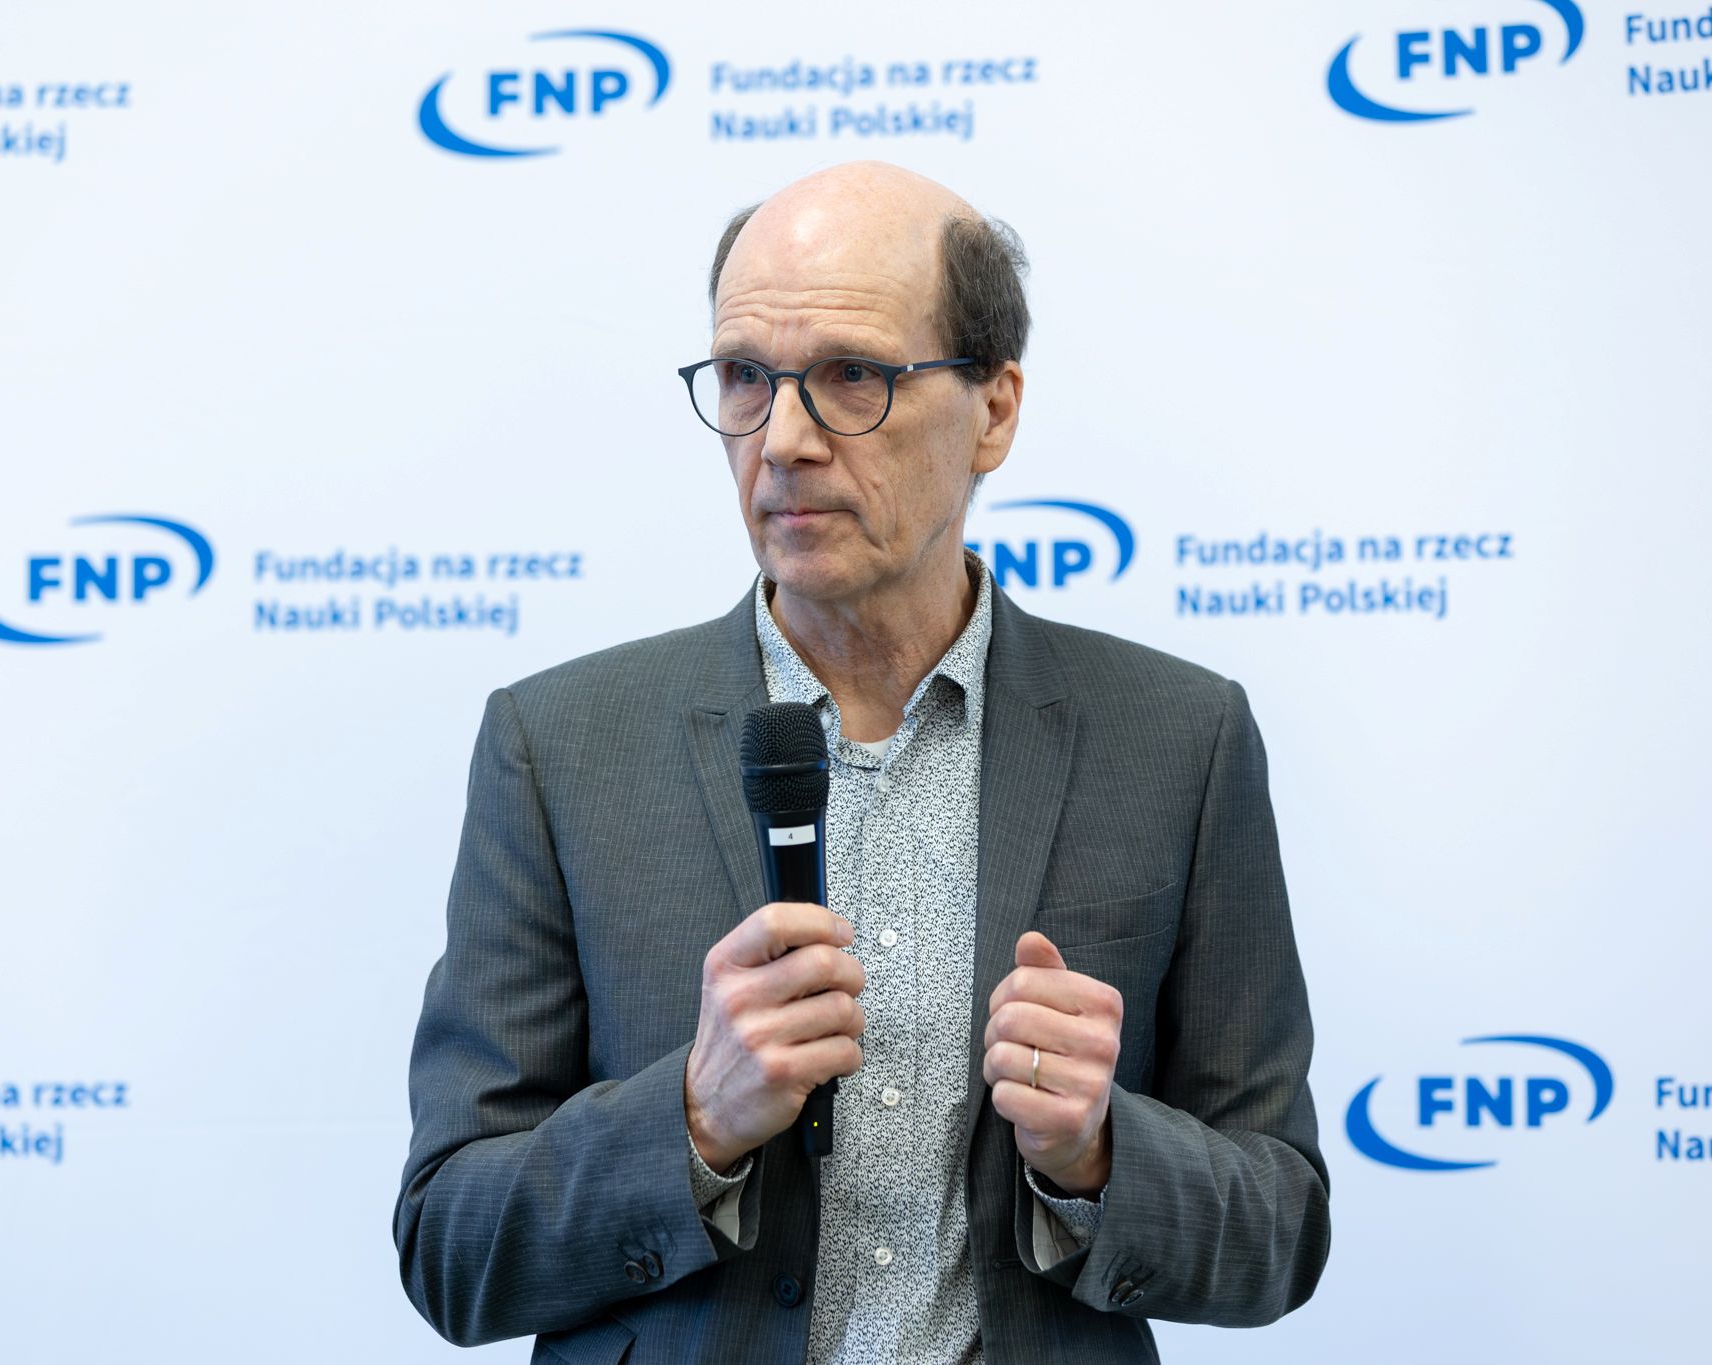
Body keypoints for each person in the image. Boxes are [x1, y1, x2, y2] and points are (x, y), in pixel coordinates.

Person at [394, 160, 1330, 1364]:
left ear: (993, 409)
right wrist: (692, 1121)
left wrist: (1097, 1155)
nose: (781, 440)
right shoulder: (560, 746)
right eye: (744, 378)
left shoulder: (1176, 740)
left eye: (851, 377)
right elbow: (450, 1250)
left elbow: (1278, 1231)